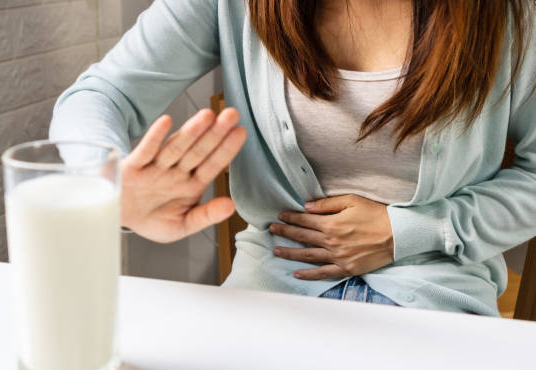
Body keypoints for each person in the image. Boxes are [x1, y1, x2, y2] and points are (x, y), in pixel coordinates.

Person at [50, 0, 536, 315]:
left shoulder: (514, 16)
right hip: (271, 295)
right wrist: (105, 184)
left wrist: (412, 231)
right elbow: (100, 95)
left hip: (440, 299)